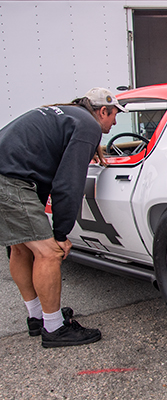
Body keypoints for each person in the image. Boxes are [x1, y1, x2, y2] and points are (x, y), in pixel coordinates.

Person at [0, 87, 124, 348]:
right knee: (49, 253)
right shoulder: (87, 125)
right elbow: (68, 183)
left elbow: (42, 161)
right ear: (102, 111)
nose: (115, 122)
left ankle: (38, 317)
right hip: (10, 182)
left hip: (8, 173)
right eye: (114, 115)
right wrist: (60, 234)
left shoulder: (67, 114)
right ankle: (55, 329)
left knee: (21, 248)